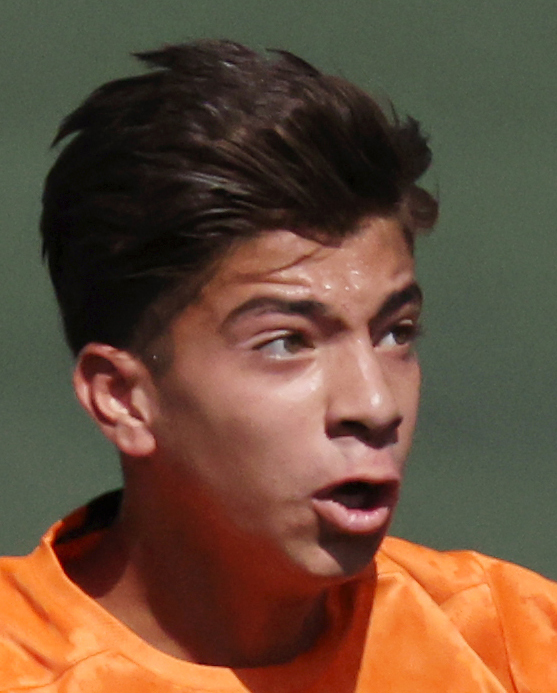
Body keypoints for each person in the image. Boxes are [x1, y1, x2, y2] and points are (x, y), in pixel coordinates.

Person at [0, 40, 555, 692]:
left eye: (394, 333)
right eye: (286, 343)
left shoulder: (514, 645)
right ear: (121, 398)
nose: (375, 405)